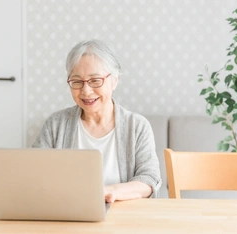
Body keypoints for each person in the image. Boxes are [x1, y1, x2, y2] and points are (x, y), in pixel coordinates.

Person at [32, 39, 161, 203]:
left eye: (95, 80)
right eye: (77, 82)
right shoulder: (55, 125)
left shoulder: (137, 126)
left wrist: (110, 191)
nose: (86, 91)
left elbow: (149, 179)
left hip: (123, 220)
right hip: (67, 218)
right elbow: (35, 173)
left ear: (114, 80)